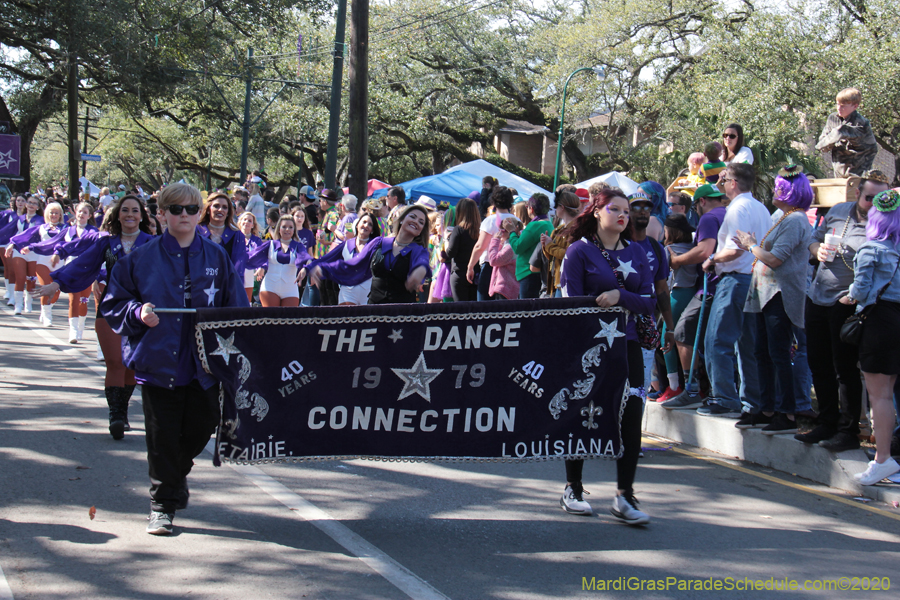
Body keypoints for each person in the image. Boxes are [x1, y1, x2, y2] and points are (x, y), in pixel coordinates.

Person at [99, 183, 249, 535]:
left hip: (205, 365)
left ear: (200, 214)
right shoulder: (141, 258)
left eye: (191, 209)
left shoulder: (217, 256)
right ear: (162, 213)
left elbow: (237, 307)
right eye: (176, 209)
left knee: (201, 427)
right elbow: (114, 302)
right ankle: (162, 505)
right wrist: (137, 313)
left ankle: (174, 475)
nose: (184, 215)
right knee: (161, 438)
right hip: (157, 362)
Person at [558, 188, 655, 524]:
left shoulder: (638, 252)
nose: (623, 215)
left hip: (628, 343)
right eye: (615, 209)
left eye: (626, 210)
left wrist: (619, 296)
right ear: (597, 212)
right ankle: (573, 487)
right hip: (588, 344)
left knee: (631, 414)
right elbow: (570, 301)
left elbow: (649, 302)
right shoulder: (579, 251)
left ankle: (625, 495)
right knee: (582, 411)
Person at [36, 195, 154, 439]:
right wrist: (56, 283)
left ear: (141, 216)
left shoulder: (153, 244)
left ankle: (122, 408)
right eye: (125, 210)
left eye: (135, 210)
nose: (130, 214)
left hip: (142, 310)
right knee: (115, 362)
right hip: (110, 308)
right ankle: (116, 415)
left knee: (131, 365)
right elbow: (82, 264)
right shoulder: (106, 243)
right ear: (117, 215)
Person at [798, 171, 891, 449]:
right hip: (818, 296)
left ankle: (848, 429)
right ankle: (826, 422)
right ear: (858, 193)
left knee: (845, 368)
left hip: (847, 301)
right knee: (818, 362)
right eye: (869, 197)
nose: (873, 204)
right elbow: (813, 239)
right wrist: (817, 250)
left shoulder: (884, 224)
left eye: (880, 199)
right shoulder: (839, 211)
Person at [732, 166, 814, 433]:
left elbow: (775, 259)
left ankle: (787, 413)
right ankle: (767, 409)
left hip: (781, 294)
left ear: (791, 192)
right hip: (764, 293)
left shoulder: (796, 220)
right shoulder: (782, 217)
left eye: (781, 187)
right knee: (762, 352)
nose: (775, 190)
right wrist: (753, 245)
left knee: (779, 353)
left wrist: (750, 245)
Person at [698, 163, 771, 418]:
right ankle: (753, 401)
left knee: (717, 340)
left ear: (734, 182)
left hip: (736, 279)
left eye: (724, 178)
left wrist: (712, 259)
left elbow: (735, 249)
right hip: (755, 280)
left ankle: (725, 397)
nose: (720, 182)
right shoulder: (761, 208)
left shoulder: (737, 209)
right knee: (747, 345)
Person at [840, 189, 900, 484]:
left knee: (880, 396)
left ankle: (883, 459)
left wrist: (848, 296)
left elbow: (861, 290)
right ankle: (885, 457)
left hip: (877, 323)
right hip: (896, 320)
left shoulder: (871, 249)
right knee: (888, 393)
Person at [661, 184, 728, 409]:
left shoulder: (709, 218)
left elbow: (704, 251)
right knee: (716, 341)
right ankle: (717, 392)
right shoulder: (729, 214)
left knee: (681, 333)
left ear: (701, 202)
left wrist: (677, 260)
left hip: (711, 286)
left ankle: (692, 390)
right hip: (727, 284)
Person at [309, 204, 431, 305]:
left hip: (401, 314)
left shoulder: (419, 250)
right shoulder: (379, 243)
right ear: (402, 219)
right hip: (374, 310)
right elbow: (354, 263)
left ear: (421, 230)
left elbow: (422, 263)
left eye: (421, 222)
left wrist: (418, 272)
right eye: (413, 217)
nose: (416, 222)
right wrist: (323, 268)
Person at [24, 202, 97, 342]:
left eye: (85, 212)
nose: (81, 214)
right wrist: (32, 247)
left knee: (83, 300)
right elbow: (52, 242)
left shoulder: (93, 232)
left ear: (89, 216)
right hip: (71, 267)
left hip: (88, 268)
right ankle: (73, 331)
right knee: (73, 299)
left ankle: (80, 326)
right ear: (75, 213)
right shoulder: (68, 230)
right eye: (79, 211)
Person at [628, 191, 676, 394]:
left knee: (640, 389)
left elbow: (662, 290)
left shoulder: (656, 248)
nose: (643, 212)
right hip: (617, 325)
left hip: (645, 327)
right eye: (636, 207)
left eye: (647, 207)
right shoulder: (616, 244)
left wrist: (670, 328)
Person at [656, 214, 697, 402]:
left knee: (667, 336)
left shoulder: (668, 250)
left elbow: (661, 278)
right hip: (695, 294)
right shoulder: (695, 248)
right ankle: (696, 385)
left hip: (678, 294)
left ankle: (673, 386)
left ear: (670, 231)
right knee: (689, 340)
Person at [9, 201, 65, 326]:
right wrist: (13, 244)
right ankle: (47, 315)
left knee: (56, 292)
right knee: (45, 288)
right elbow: (25, 236)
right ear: (47, 214)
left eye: (56, 213)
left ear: (60, 215)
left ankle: (46, 309)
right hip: (42, 262)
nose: (53, 215)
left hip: (58, 263)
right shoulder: (41, 228)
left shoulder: (65, 229)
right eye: (51, 212)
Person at [466, 187, 519, 301]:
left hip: (490, 265)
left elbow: (480, 246)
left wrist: (470, 266)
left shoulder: (490, 220)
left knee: (484, 306)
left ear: (493, 201)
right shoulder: (517, 221)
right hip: (511, 267)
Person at [247, 215, 312, 307]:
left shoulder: (298, 246)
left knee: (289, 316)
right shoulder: (270, 244)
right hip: (270, 287)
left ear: (294, 230)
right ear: (279, 229)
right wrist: (262, 267)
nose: (287, 229)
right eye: (284, 227)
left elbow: (306, 259)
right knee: (272, 315)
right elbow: (253, 256)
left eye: (290, 227)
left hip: (290, 288)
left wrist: (305, 268)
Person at [816, 87, 878, 178]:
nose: (839, 108)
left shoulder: (862, 124)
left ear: (855, 106)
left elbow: (871, 149)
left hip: (858, 174)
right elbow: (822, 145)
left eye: (843, 106)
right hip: (839, 173)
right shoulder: (833, 119)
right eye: (838, 104)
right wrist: (828, 142)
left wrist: (838, 133)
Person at [506, 194, 554, 299]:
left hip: (528, 274)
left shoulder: (534, 225)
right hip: (537, 273)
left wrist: (511, 231)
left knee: (526, 308)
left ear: (531, 209)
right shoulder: (549, 224)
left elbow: (517, 247)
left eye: (527, 207)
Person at [4, 196, 44, 314]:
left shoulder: (40, 220)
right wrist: (12, 243)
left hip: (33, 251)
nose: (31, 205)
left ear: (38, 207)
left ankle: (28, 302)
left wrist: (14, 241)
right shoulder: (20, 218)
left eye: (34, 203)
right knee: (20, 277)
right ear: (26, 204)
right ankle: (18, 305)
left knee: (31, 278)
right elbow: (10, 231)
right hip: (19, 250)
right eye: (30, 202)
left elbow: (30, 233)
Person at [540, 191, 582, 298]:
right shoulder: (559, 230)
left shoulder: (577, 229)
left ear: (562, 207)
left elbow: (570, 255)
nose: (555, 209)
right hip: (557, 281)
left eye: (556, 206)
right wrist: (545, 244)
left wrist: (549, 245)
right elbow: (552, 257)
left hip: (568, 281)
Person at [197, 192, 248, 277]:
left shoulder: (237, 236)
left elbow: (238, 268)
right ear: (208, 209)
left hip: (226, 283)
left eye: (224, 207)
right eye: (216, 206)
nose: (220, 210)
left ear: (228, 212)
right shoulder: (196, 232)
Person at [445, 198, 481, 301]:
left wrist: (446, 239)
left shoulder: (459, 229)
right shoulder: (481, 231)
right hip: (476, 274)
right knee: (475, 308)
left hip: (459, 274)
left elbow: (450, 253)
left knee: (461, 308)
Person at [0, 195, 28, 306]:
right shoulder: (9, 214)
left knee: (23, 273)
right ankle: (11, 294)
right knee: (9, 268)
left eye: (22, 200)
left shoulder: (28, 217)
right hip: (8, 244)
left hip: (23, 246)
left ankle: (25, 298)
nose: (20, 202)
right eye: (18, 200)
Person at [236, 212, 263, 303]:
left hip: (249, 273)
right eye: (245, 219)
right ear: (240, 222)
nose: (247, 222)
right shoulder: (234, 237)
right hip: (235, 272)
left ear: (253, 225)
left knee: (246, 301)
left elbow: (261, 256)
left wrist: (261, 268)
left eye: (250, 221)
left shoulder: (256, 240)